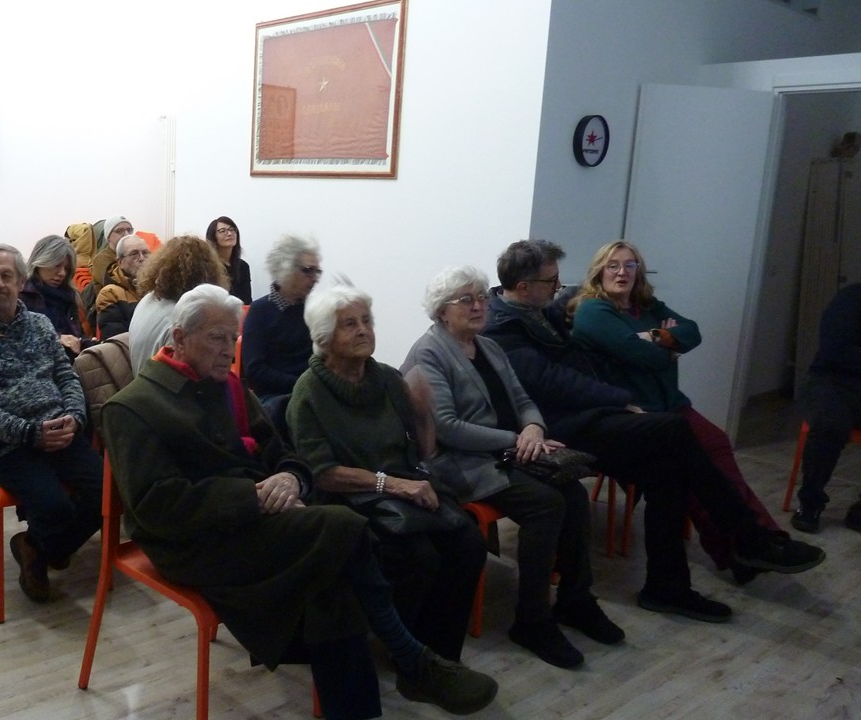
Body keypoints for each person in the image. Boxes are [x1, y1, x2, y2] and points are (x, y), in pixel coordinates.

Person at [104, 284, 498, 719]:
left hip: (259, 522)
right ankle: (413, 657)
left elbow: (286, 455)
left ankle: (374, 697)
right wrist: (253, 497)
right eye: (217, 338)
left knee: (333, 587)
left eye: (232, 337)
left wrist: (290, 478)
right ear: (179, 338)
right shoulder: (132, 407)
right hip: (191, 544)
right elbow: (155, 507)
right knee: (343, 526)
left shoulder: (230, 387)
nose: (228, 350)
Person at [482, 240, 826, 606]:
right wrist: (620, 398)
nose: (559, 286)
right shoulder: (502, 330)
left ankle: (667, 587)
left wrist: (647, 339)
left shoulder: (537, 308)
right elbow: (554, 382)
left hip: (589, 414)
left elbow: (680, 330)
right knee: (674, 429)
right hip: (558, 428)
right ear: (524, 287)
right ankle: (748, 537)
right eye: (551, 281)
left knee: (668, 472)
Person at [400, 266, 620, 670]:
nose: (478, 305)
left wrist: (533, 427)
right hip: (460, 462)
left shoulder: (488, 346)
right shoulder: (429, 352)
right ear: (442, 310)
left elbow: (523, 400)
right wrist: (515, 439)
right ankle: (532, 621)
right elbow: (446, 427)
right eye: (466, 299)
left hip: (508, 451)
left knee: (573, 494)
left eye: (482, 296)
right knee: (545, 503)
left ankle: (575, 599)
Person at [288, 283, 489, 670]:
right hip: (348, 500)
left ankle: (441, 654)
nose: (364, 330)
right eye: (350, 324)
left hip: (403, 490)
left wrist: (423, 414)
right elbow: (322, 474)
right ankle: (407, 652)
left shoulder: (386, 378)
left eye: (367, 321)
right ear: (324, 338)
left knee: (468, 543)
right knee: (418, 557)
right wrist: (391, 484)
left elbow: (422, 453)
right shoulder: (308, 392)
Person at [568, 240, 787, 566]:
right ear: (599, 271)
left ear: (639, 271)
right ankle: (741, 545)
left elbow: (692, 331)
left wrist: (656, 337)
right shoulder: (593, 311)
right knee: (688, 465)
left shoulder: (648, 306)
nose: (622, 272)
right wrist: (667, 350)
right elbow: (649, 358)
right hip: (635, 411)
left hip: (671, 403)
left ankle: (758, 536)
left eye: (630, 265)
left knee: (716, 444)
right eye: (613, 265)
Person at [0, 243, 103, 603]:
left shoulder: (40, 325)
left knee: (109, 493)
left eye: (7, 276)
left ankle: (35, 546)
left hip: (60, 431)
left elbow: (66, 376)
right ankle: (45, 549)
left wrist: (75, 417)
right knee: (54, 507)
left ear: (20, 282)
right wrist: (29, 433)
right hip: (6, 444)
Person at [791, 282, 861, 533]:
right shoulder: (852, 297)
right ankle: (810, 502)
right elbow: (835, 350)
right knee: (829, 425)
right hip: (832, 379)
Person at [242, 235, 322, 420]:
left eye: (317, 271)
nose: (315, 279)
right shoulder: (260, 311)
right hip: (276, 397)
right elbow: (255, 370)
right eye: (308, 271)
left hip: (311, 392)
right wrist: (301, 384)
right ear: (286, 268)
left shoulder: (314, 309)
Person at [127, 235, 229, 373]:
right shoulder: (183, 318)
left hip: (144, 379)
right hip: (165, 383)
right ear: (207, 273)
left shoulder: (147, 300)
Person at [21, 235, 96, 359]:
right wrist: (57, 338)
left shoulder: (69, 297)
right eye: (56, 265)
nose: (62, 273)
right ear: (41, 262)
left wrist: (90, 344)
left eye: (66, 268)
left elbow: (77, 337)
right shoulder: (21, 297)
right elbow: (19, 340)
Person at [94, 234, 149, 339]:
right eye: (134, 254)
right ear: (120, 262)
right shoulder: (110, 293)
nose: (142, 258)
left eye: (145, 253)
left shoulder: (159, 286)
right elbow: (116, 338)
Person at [205, 215, 252, 304]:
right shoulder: (207, 266)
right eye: (222, 231)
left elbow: (247, 301)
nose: (230, 233)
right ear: (213, 237)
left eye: (232, 229)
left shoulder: (243, 266)